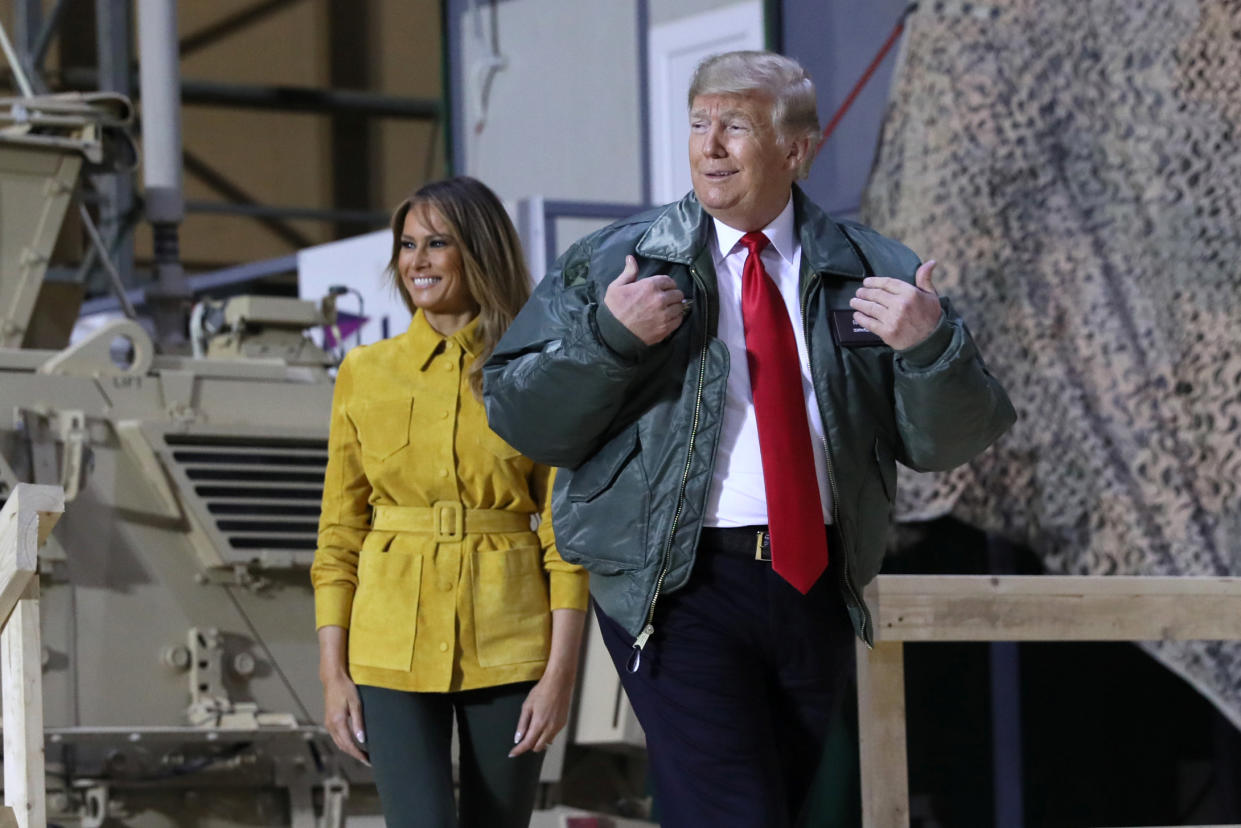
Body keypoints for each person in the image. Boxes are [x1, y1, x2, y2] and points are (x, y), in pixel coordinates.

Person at [482, 51, 1016, 827]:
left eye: (734, 126)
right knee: (735, 813)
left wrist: (929, 349)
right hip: (676, 585)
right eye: (699, 124)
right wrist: (607, 338)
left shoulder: (872, 269)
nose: (709, 146)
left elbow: (946, 441)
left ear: (796, 150)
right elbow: (520, 417)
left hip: (814, 586)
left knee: (766, 808)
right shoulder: (615, 265)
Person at [310, 176, 589, 828]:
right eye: (407, 245)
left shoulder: (538, 368)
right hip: (388, 647)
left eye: (438, 243)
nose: (417, 261)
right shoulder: (364, 371)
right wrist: (332, 675)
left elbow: (565, 536)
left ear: (479, 251)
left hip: (510, 637)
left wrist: (559, 677)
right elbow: (338, 531)